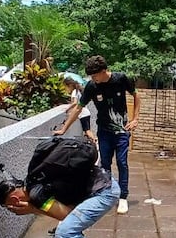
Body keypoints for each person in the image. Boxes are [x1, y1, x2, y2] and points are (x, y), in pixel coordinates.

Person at [54, 56, 140, 215]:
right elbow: (78, 108)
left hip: (122, 131)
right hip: (104, 131)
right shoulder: (92, 87)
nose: (93, 79)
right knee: (104, 164)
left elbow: (136, 95)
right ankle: (106, 193)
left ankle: (123, 196)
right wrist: (64, 129)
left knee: (122, 162)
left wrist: (135, 119)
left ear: (103, 71)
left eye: (94, 76)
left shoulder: (121, 79)